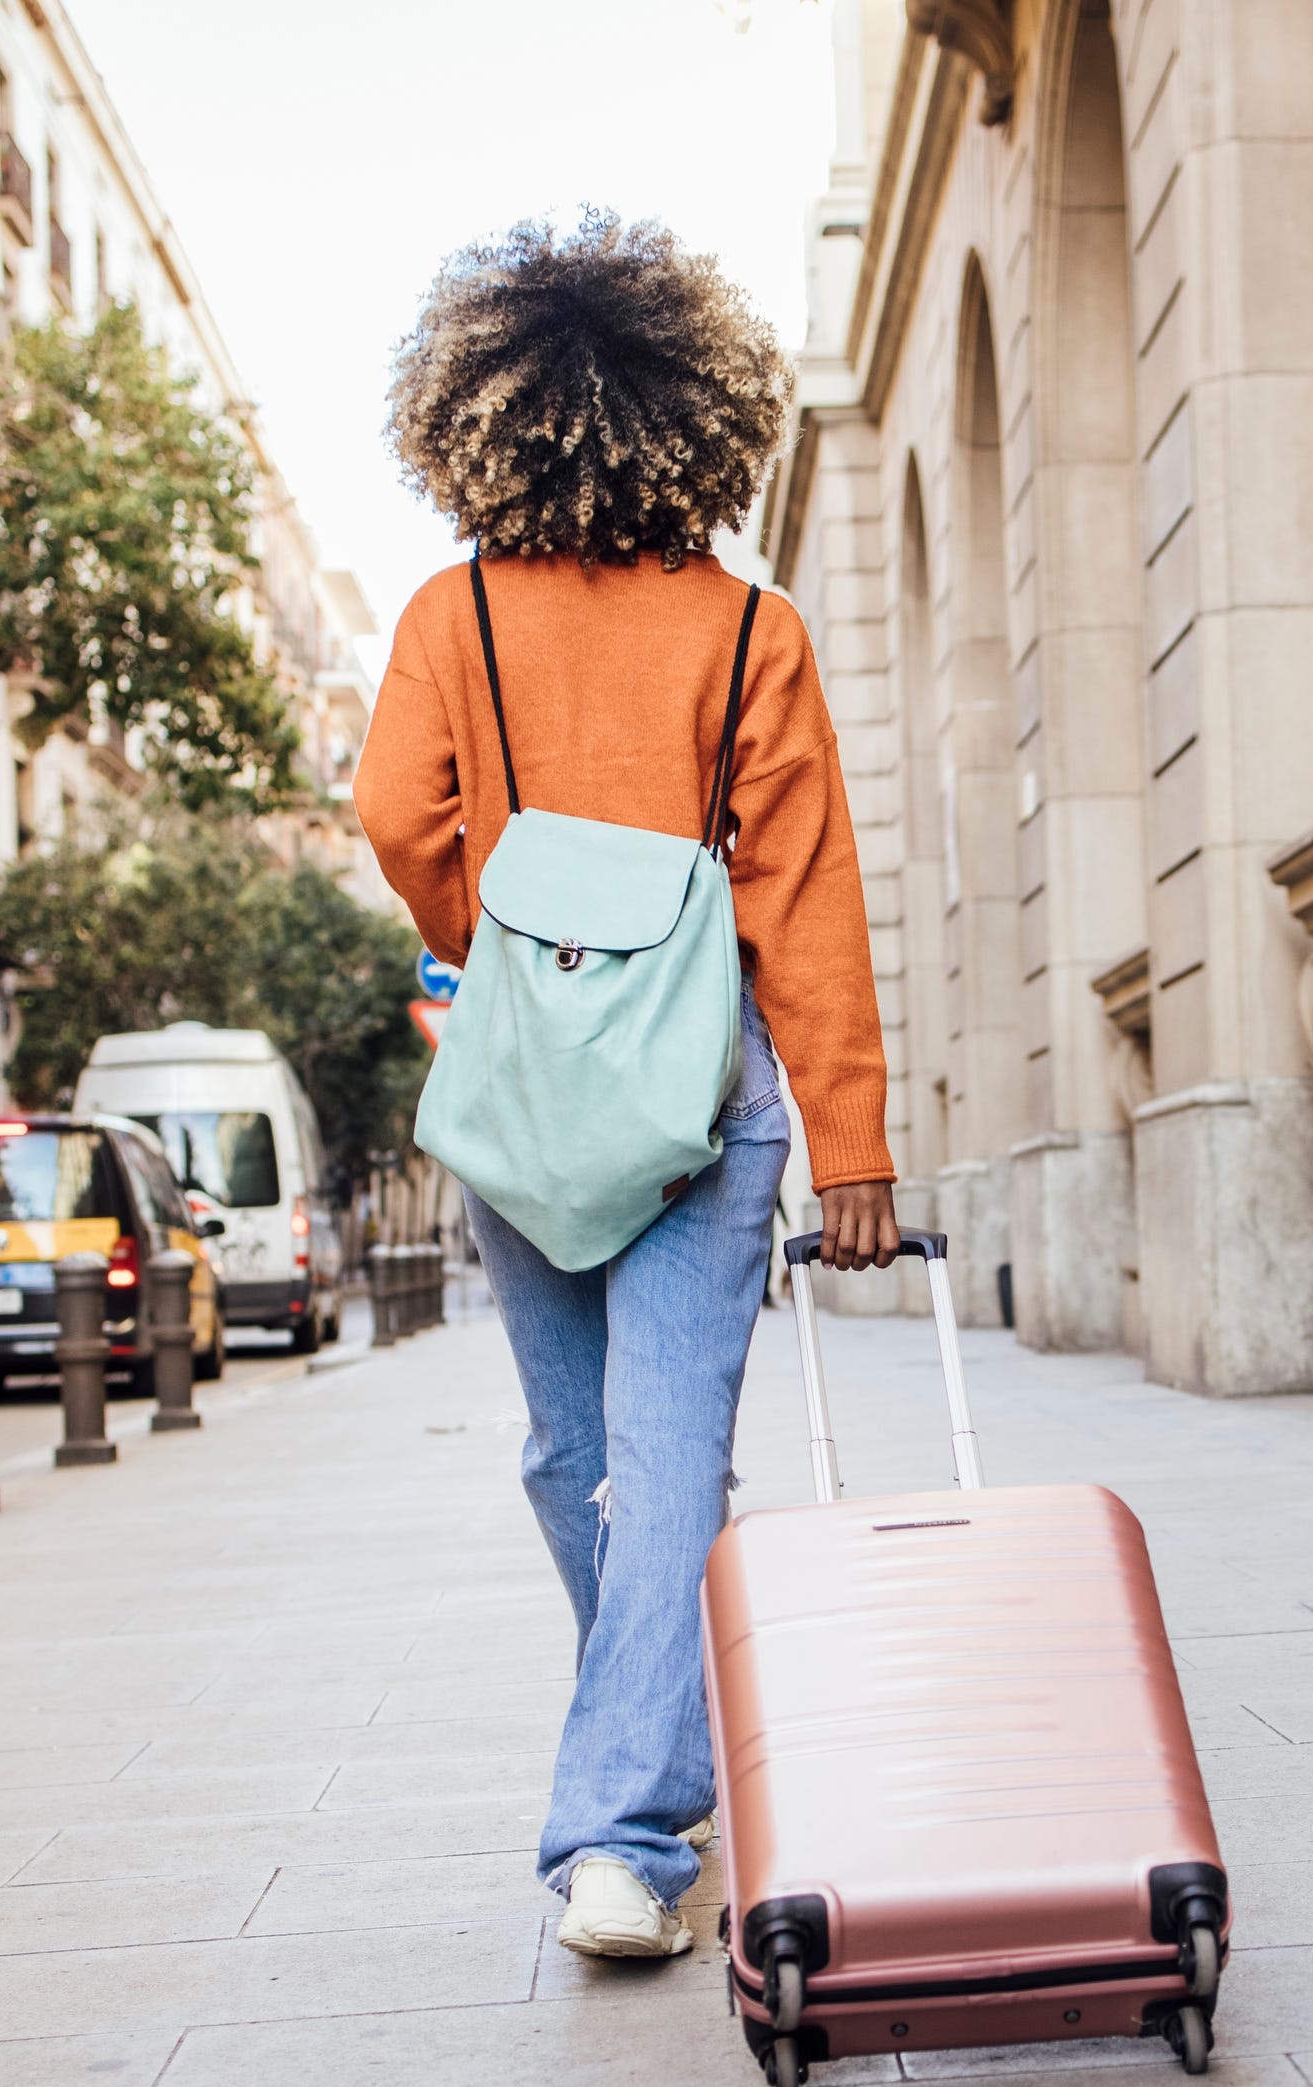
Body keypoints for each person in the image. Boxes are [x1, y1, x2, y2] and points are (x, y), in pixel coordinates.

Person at [358, 214, 898, 1961]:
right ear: (693, 422)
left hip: (527, 1101)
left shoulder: (454, 617)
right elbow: (801, 892)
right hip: (705, 1096)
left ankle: (622, 1830)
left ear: (490, 419)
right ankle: (659, 1773)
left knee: (570, 1451)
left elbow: (394, 819)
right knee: (663, 1457)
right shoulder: (751, 630)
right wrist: (853, 1147)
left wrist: (499, 946)